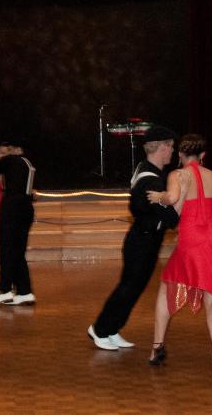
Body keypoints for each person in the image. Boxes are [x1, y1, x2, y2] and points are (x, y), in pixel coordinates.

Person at [146, 135, 212, 377]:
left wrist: (158, 197)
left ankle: (157, 347)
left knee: (167, 288)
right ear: (202, 155)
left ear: (180, 154)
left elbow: (172, 198)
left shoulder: (177, 174)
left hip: (192, 240)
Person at [88, 126, 179, 351]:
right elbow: (170, 217)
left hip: (147, 240)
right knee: (128, 288)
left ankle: (112, 329)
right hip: (142, 241)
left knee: (134, 288)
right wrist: (175, 208)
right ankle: (100, 329)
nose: (173, 151)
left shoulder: (149, 171)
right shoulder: (151, 180)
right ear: (162, 147)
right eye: (170, 147)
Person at [0, 140, 36, 306]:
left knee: (6, 251)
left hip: (11, 208)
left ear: (17, 149)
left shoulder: (9, 160)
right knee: (18, 252)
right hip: (26, 208)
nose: (5, 154)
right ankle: (25, 292)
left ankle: (5, 290)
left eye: (9, 150)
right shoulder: (28, 163)